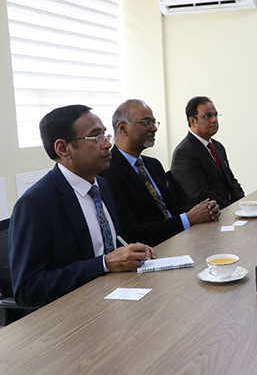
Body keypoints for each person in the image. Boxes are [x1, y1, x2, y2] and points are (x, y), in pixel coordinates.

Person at [9, 105, 156, 308]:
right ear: (63, 149)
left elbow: (106, 245)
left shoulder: (102, 185)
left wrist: (130, 252)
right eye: (95, 137)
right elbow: (28, 289)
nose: (107, 144)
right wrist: (104, 264)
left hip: (115, 297)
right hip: (71, 313)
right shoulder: (36, 203)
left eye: (105, 134)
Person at [100, 99, 220, 247]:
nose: (154, 128)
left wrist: (205, 209)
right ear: (123, 129)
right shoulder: (108, 172)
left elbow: (173, 209)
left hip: (180, 240)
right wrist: (188, 218)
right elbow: (130, 233)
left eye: (154, 122)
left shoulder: (153, 164)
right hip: (153, 251)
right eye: (146, 122)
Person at [171, 96, 245, 209]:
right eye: (208, 116)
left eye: (215, 115)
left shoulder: (218, 146)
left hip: (229, 209)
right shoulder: (184, 153)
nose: (214, 120)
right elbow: (201, 196)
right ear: (193, 121)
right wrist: (232, 209)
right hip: (211, 214)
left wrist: (243, 204)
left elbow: (231, 182)